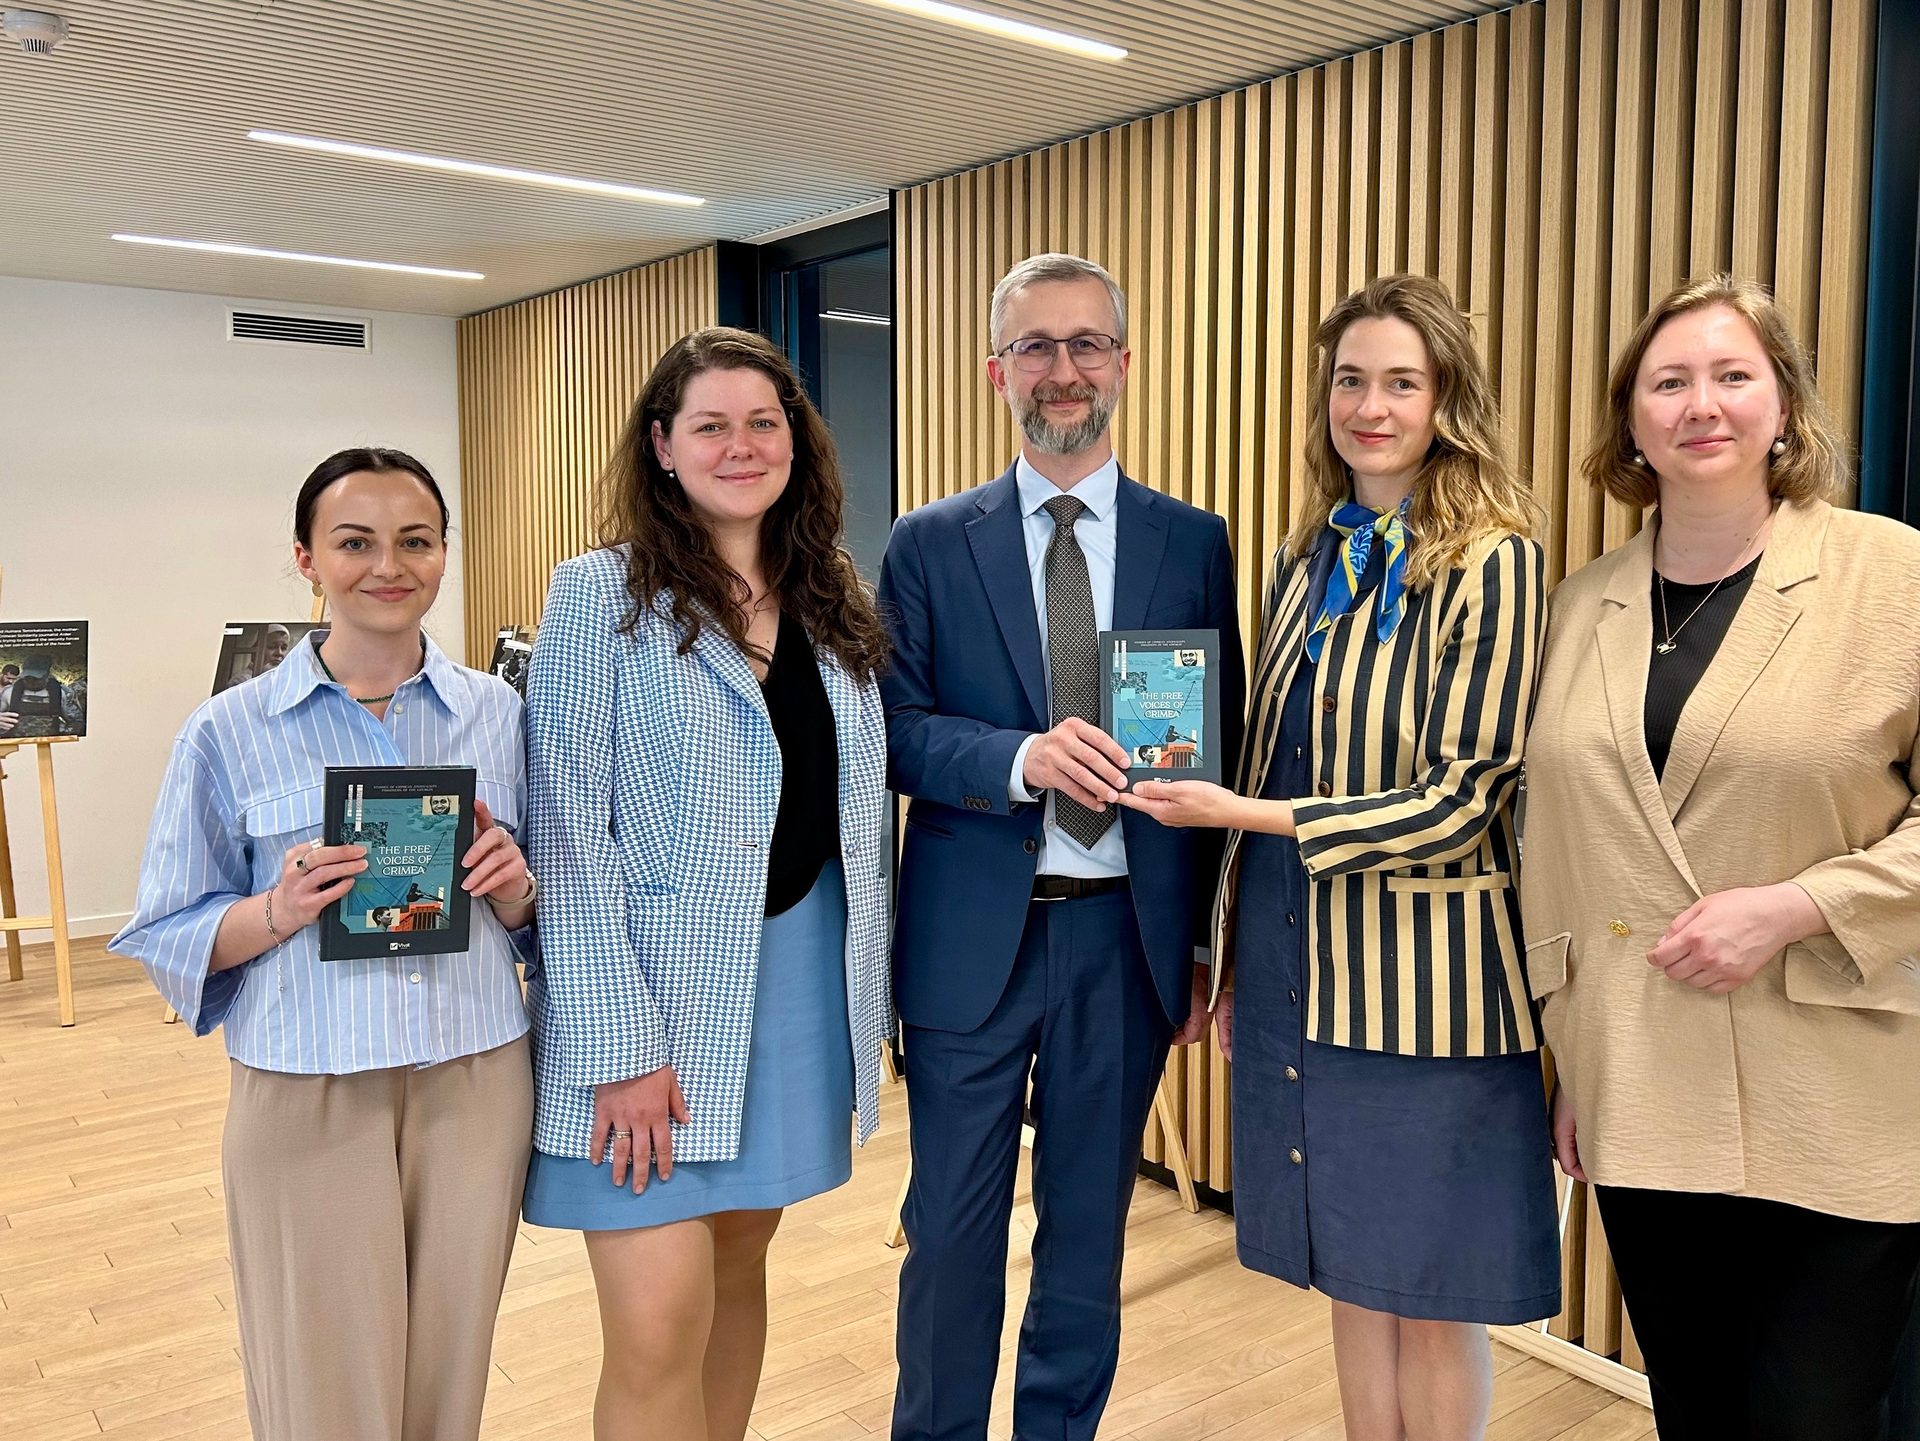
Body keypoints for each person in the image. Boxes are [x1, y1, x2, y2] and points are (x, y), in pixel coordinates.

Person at [1121, 273, 1559, 1440]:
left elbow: (1461, 800)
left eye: (1401, 382)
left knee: (1429, 1294)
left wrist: (1245, 819)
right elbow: (1266, 755)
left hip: (1426, 996)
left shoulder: (1494, 561)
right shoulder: (1305, 556)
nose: (1371, 406)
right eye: (1351, 380)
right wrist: (1221, 945)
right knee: (1350, 1278)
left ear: (1446, 398)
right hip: (1294, 974)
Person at [1523, 273, 1920, 1441]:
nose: (1703, 403)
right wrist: (1571, 1051)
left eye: (1733, 374)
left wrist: (1802, 904)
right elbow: (1556, 843)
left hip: (1843, 1080)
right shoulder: (1577, 603)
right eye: (1670, 381)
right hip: (1643, 1081)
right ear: (1633, 422)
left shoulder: (1891, 574)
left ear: (1784, 405)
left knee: (1813, 1415)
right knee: (1693, 1406)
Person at [879, 252, 1245, 1441]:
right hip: (970, 942)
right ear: (998, 373)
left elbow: (1214, 742)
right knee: (951, 1233)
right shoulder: (931, 542)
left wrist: (1202, 946)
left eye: (1088, 344)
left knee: (1088, 1232)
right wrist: (1017, 759)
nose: (1065, 369)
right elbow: (894, 730)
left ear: (1125, 366)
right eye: (1036, 346)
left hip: (1123, 946)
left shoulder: (1195, 540)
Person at [110, 447, 538, 1441]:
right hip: (309, 1086)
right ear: (305, 558)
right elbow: (167, 926)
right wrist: (278, 908)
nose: (388, 564)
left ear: (443, 556)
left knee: (448, 1373)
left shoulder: (501, 714)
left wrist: (517, 889)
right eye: (355, 542)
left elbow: (547, 911)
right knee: (324, 1393)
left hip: (473, 1079)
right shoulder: (227, 730)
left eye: (415, 541)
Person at [523, 326, 892, 1441]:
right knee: (655, 1323)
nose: (742, 445)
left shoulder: (830, 595)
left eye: (764, 422)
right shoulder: (602, 595)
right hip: (650, 1007)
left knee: (738, 1272)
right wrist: (618, 1045)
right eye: (712, 425)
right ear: (663, 447)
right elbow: (569, 831)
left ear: (797, 443)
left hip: (793, 987)